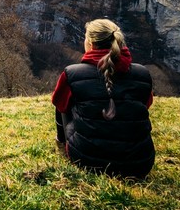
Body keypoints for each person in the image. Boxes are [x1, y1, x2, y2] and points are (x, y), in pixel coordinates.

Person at [51, 18, 155, 178]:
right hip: (139, 163)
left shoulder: (72, 73)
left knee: (64, 101)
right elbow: (146, 104)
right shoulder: (142, 74)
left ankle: (61, 141)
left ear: (90, 43)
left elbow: (59, 103)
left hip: (87, 160)